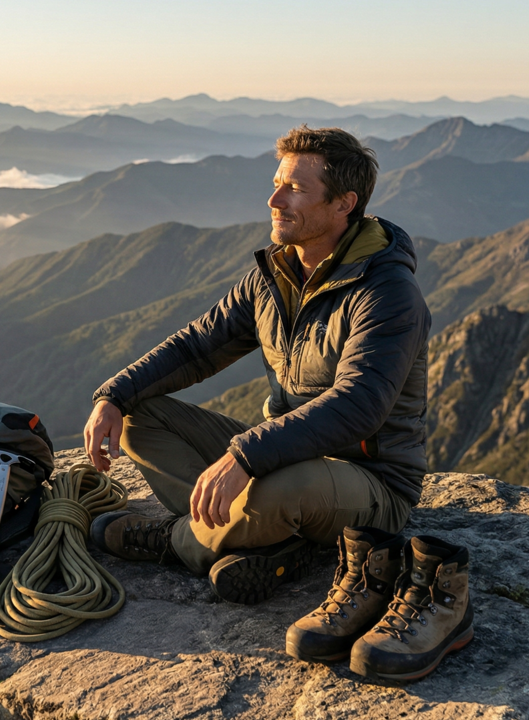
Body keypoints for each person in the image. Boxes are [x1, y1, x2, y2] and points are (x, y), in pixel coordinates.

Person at [83, 126, 431, 604]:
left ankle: (177, 540)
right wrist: (114, 395)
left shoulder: (387, 294)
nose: (274, 199)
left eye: (295, 189)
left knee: (280, 488)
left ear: (343, 204)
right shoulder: (277, 274)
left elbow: (359, 405)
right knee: (138, 417)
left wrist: (247, 454)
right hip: (285, 455)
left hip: (371, 483)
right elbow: (197, 347)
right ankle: (262, 539)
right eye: (276, 183)